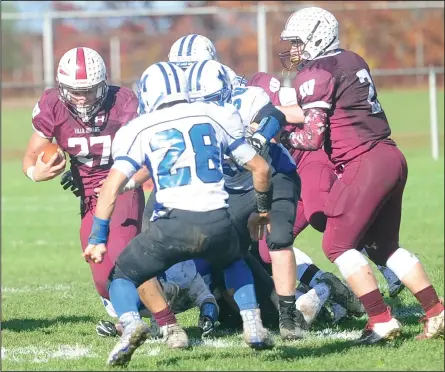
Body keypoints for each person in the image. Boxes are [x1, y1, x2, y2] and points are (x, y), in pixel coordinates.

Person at [83, 62, 274, 366]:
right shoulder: (215, 115)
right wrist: (263, 212)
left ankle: (131, 325)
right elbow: (261, 168)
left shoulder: (140, 128)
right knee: (232, 261)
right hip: (217, 220)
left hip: (172, 223)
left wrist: (98, 237)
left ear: (148, 94)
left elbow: (110, 188)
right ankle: (253, 325)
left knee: (123, 274)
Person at [278, 6, 444, 343]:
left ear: (315, 38)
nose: (293, 50)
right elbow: (326, 109)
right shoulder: (351, 59)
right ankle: (436, 313)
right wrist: (277, 111)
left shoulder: (315, 71)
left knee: (336, 244)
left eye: (297, 42)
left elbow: (311, 137)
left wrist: (281, 136)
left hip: (362, 160)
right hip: (390, 155)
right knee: (384, 247)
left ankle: (381, 320)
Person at [21, 47, 159, 339]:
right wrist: (37, 173)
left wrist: (130, 182)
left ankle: (154, 318)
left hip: (121, 187)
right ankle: (145, 309)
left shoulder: (123, 102)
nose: (82, 98)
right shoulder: (52, 105)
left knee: (124, 256)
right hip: (89, 197)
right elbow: (30, 157)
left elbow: (148, 153)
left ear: (103, 83)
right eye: (74, 90)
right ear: (62, 87)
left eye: (89, 90)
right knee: (100, 276)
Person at [248, 72, 405, 299]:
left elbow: (308, 114)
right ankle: (323, 282)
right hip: (285, 175)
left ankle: (386, 264)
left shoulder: (272, 92)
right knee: (268, 247)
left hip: (309, 161)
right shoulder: (234, 101)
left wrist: (276, 113)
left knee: (322, 217)